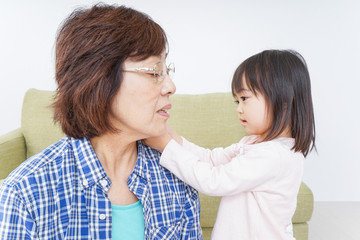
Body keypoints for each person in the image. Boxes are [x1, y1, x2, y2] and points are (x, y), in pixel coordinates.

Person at [0, 4, 202, 240]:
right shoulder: (24, 194)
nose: (170, 86)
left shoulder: (178, 176)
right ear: (100, 79)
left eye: (168, 70)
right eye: (155, 71)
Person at [145, 50, 316, 240]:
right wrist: (174, 139)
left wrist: (166, 147)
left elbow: (214, 180)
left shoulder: (274, 155)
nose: (239, 109)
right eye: (237, 101)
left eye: (244, 99)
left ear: (283, 100)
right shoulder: (254, 143)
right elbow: (212, 159)